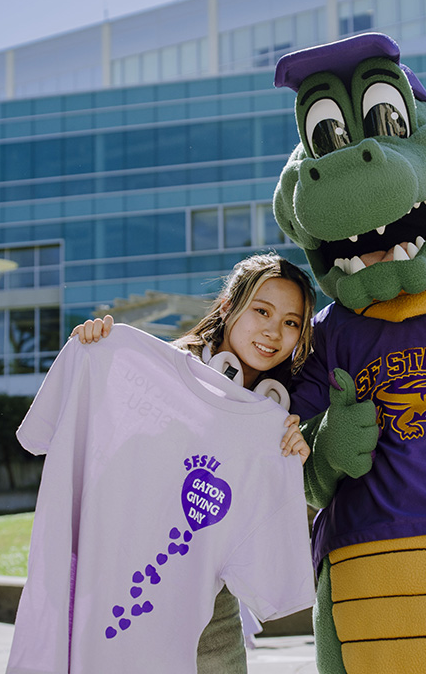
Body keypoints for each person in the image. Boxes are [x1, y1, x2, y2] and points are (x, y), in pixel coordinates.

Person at [70, 251, 315, 674]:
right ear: (226, 307)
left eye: (292, 322)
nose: (274, 332)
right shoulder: (164, 376)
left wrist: (295, 454)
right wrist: (99, 355)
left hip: (213, 615)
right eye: (262, 311)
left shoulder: (279, 410)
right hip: (124, 596)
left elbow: (271, 528)